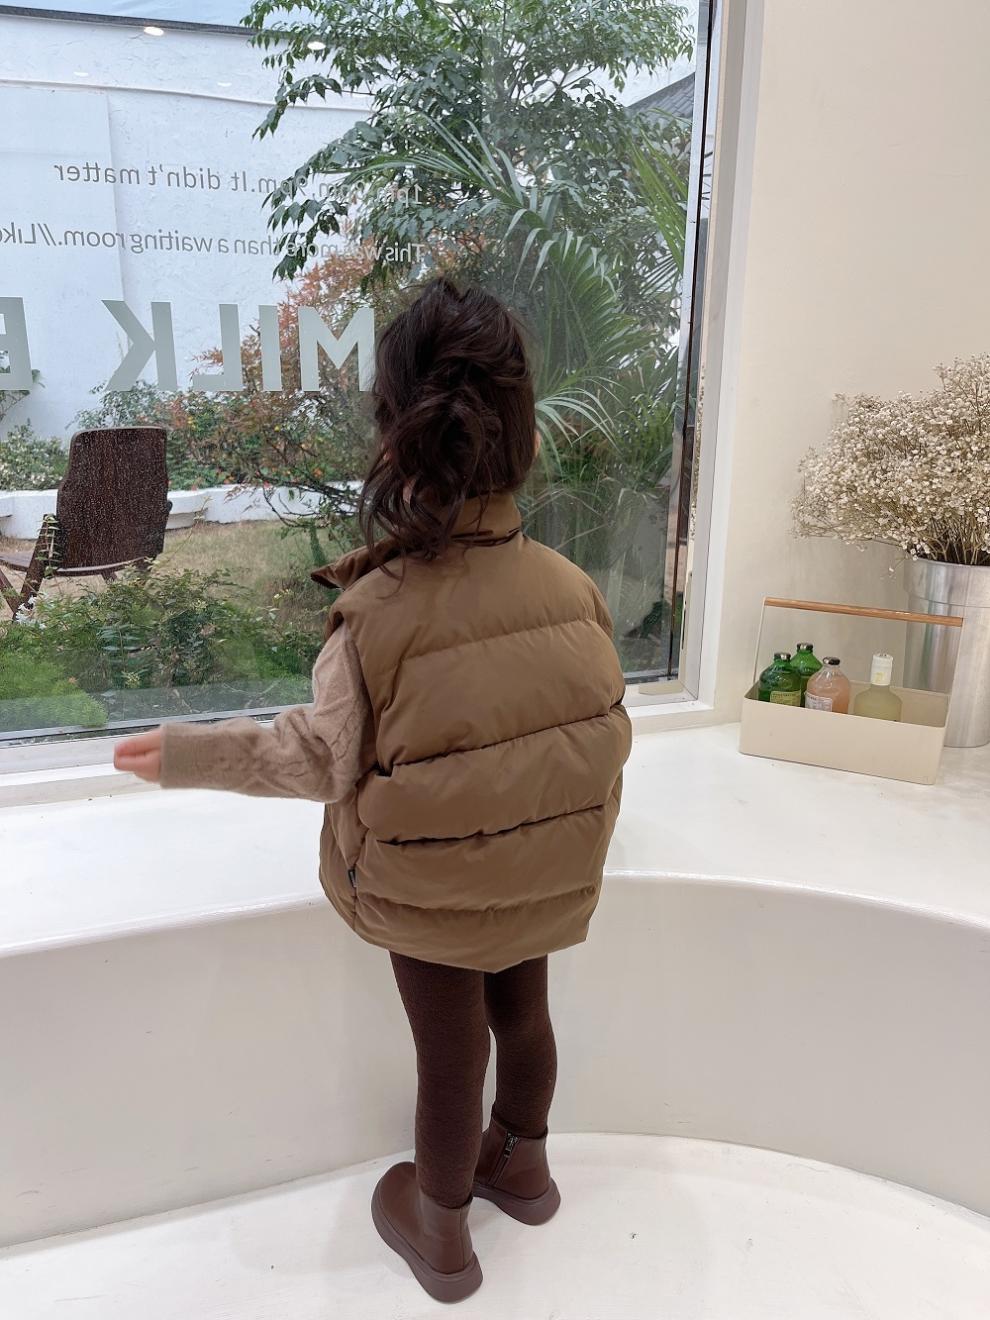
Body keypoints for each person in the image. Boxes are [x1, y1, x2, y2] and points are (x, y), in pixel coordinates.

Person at [114, 275, 632, 1304]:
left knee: (451, 1055)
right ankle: (525, 1170)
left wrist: (186, 755)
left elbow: (316, 757)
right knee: (524, 1018)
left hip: (426, 891)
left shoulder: (377, 615)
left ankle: (441, 1234)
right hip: (546, 875)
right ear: (524, 434)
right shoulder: (575, 590)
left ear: (395, 436)